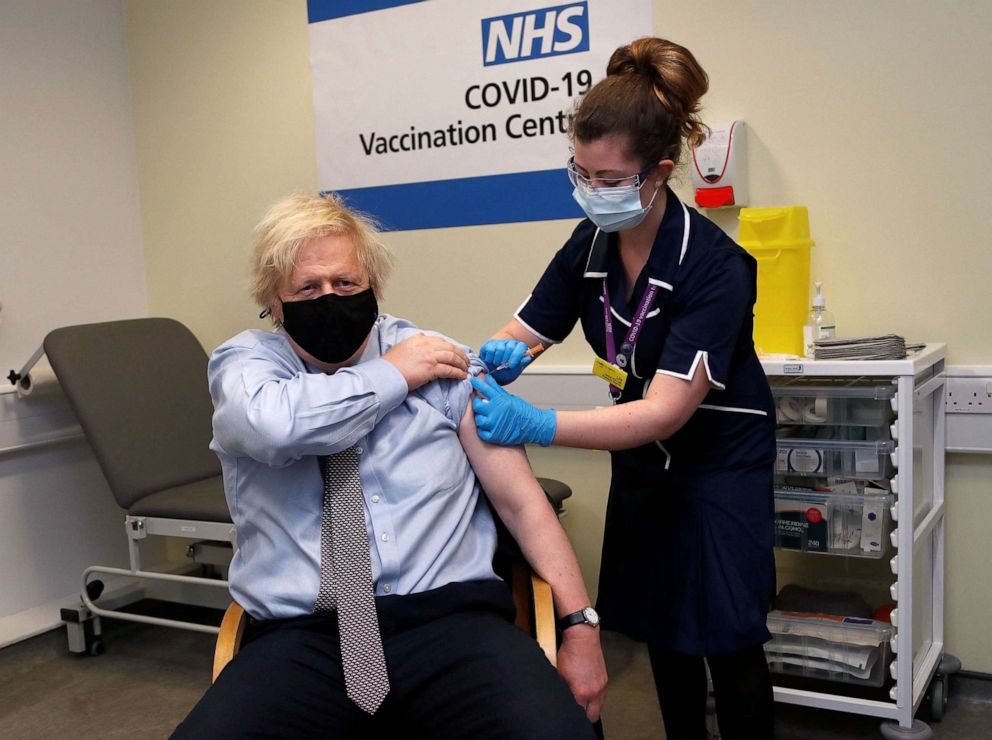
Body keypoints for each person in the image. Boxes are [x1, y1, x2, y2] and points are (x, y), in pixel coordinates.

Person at [173, 193, 607, 739]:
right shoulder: (247, 367)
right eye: (308, 288)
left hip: (453, 625)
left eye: (346, 283)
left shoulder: (440, 359)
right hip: (300, 639)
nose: (329, 297)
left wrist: (580, 628)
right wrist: (394, 375)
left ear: (374, 287)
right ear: (274, 303)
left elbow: (522, 504)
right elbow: (272, 427)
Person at [470, 37, 776, 740]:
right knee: (664, 629)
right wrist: (495, 357)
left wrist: (538, 423)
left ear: (659, 171)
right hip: (643, 466)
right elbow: (525, 328)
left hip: (718, 463)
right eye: (579, 171)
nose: (589, 189)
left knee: (728, 640)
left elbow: (666, 411)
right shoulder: (588, 245)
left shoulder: (716, 266)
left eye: (607, 177)